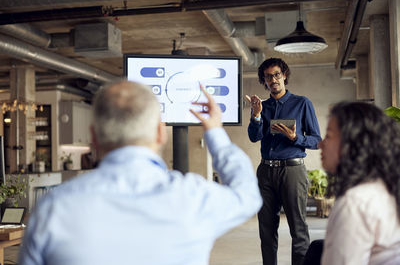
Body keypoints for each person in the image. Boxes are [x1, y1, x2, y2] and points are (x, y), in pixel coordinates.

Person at [19, 80, 262, 265]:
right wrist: (215, 132)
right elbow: (248, 195)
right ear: (160, 133)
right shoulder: (194, 197)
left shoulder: (52, 208)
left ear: (93, 136)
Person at [246, 57, 321, 265]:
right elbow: (254, 137)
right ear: (264, 80)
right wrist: (256, 116)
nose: (273, 80)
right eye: (268, 77)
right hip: (266, 172)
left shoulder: (302, 103)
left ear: (284, 75)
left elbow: (316, 141)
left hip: (292, 172)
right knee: (267, 231)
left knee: (298, 229)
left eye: (277, 75)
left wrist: (295, 138)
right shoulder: (262, 106)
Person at [316, 102, 400, 265]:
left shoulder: (354, 203)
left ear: (352, 143)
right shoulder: (386, 188)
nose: (320, 144)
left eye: (329, 136)